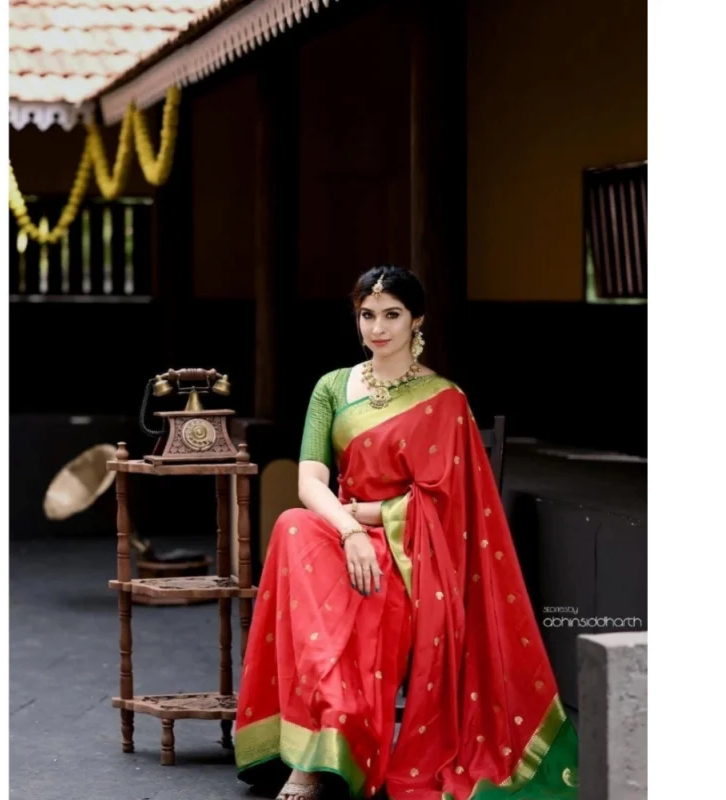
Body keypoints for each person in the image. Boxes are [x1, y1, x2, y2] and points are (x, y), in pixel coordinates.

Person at [234, 266, 578, 800]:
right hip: (341, 531)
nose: (378, 328)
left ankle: (323, 747)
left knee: (349, 596)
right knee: (293, 525)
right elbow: (309, 483)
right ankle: (326, 734)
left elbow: (446, 506)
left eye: (392, 315)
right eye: (367, 315)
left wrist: (368, 518)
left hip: (411, 552)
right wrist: (349, 529)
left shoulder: (444, 399)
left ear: (417, 320)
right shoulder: (331, 386)